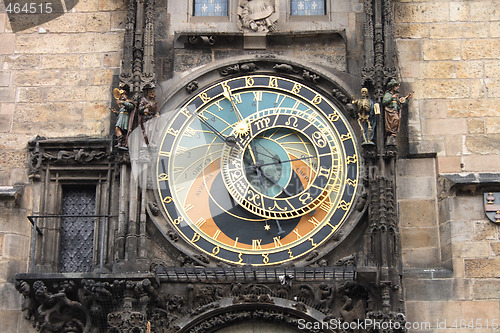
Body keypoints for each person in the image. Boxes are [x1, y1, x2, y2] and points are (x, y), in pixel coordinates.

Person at [382, 79, 412, 146]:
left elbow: (400, 104)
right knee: (396, 119)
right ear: (392, 87)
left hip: (395, 110)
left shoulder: (396, 96)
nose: (397, 88)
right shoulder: (388, 94)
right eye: (396, 86)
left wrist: (407, 99)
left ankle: (393, 133)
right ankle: (391, 133)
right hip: (390, 111)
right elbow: (384, 102)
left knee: (397, 120)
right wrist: (392, 97)